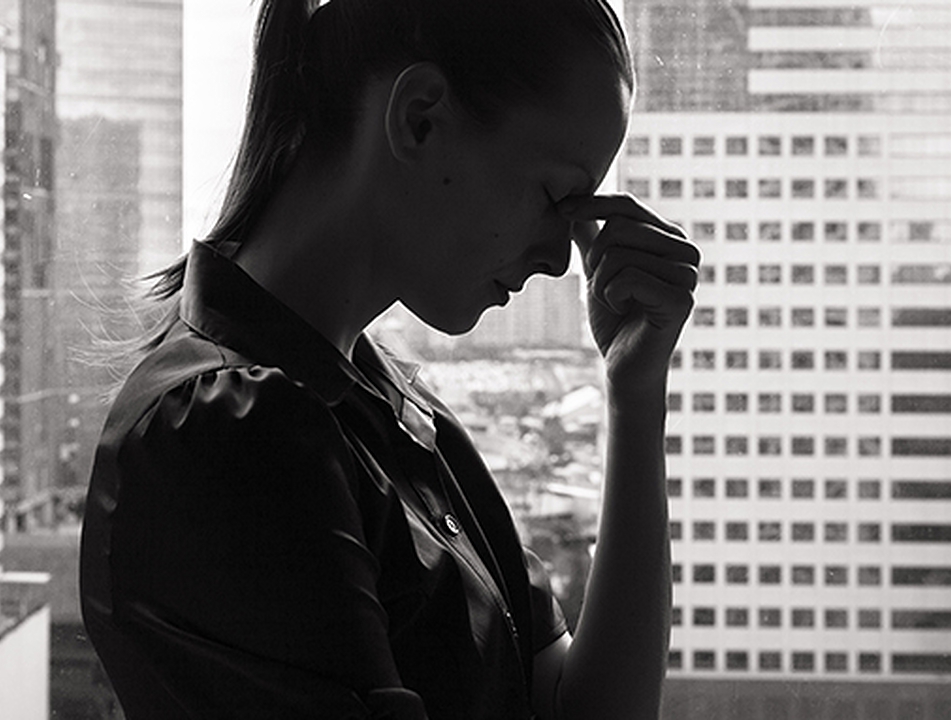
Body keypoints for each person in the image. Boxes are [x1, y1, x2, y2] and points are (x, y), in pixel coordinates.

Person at [80, 0, 699, 718]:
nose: (561, 258)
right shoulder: (223, 436)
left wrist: (636, 393)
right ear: (419, 118)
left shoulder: (390, 410)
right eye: (556, 195)